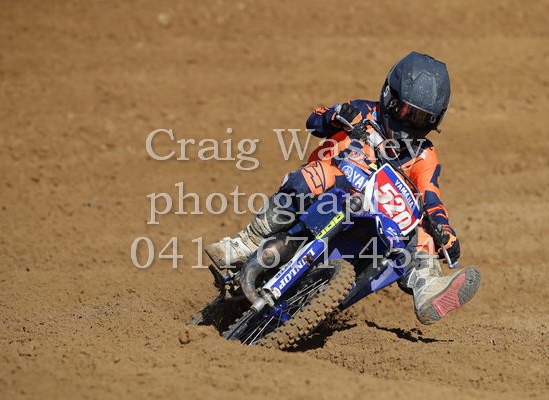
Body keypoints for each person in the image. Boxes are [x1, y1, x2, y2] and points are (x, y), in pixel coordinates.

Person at [205, 51, 481, 325]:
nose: (411, 123)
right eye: (407, 111)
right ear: (390, 97)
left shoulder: (424, 155)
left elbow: (431, 199)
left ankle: (426, 285)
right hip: (323, 198)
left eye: (422, 118)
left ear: (435, 120)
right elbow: (315, 121)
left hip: (376, 222)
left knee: (422, 230)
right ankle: (246, 243)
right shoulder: (363, 112)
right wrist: (337, 116)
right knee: (317, 174)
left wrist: (444, 230)